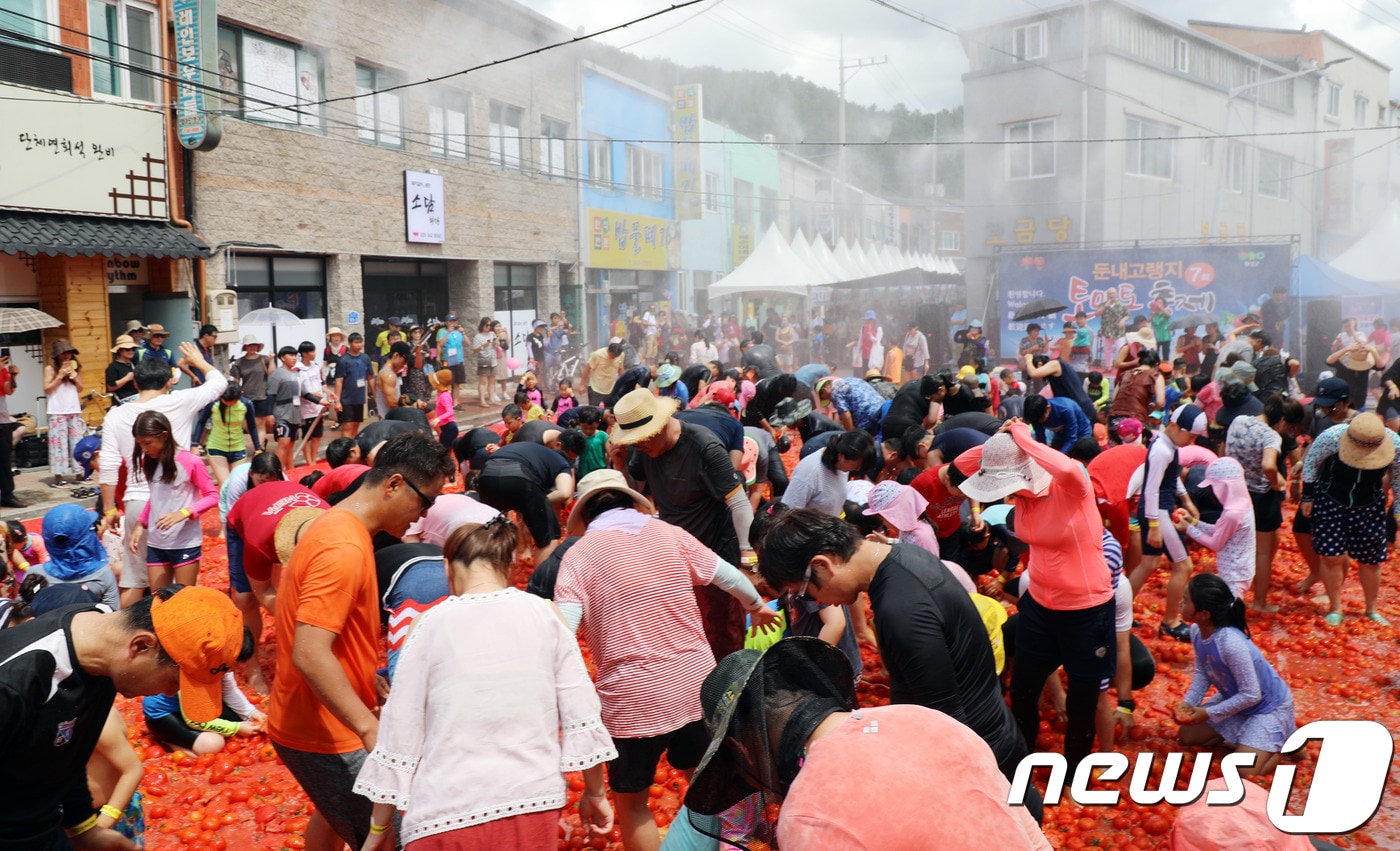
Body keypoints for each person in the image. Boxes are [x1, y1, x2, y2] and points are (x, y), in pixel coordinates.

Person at [752, 511, 1035, 816]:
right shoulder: (900, 554)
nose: (823, 602)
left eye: (806, 593)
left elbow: (947, 727)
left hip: (983, 768)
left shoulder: (903, 611)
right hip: (995, 741)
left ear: (823, 565)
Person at [354, 520, 616, 850]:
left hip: (443, 815)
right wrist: (595, 793)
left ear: (447, 567)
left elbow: (399, 732)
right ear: (508, 568)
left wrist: (379, 829)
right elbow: (581, 713)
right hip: (532, 804)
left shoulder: (426, 624)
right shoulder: (546, 613)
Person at [555, 471, 774, 851]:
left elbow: (560, 632)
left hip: (631, 701)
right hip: (695, 685)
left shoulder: (579, 555)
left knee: (633, 802)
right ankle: (738, 843)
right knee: (709, 781)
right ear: (633, 503)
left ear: (586, 515)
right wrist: (756, 607)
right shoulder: (670, 534)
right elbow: (729, 576)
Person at [268, 433, 454, 850]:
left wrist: (363, 673)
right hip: (327, 732)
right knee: (394, 840)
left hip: (313, 720)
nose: (422, 516)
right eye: (425, 502)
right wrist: (369, 728)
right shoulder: (343, 545)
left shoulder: (336, 526)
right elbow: (309, 651)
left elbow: (323, 634)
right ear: (393, 485)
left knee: (337, 818)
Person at [0, 584, 246, 849]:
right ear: (141, 646)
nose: (172, 692)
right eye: (176, 681)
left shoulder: (103, 647)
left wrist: (85, 829)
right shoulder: (15, 685)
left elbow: (68, 755)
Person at [954, 422, 1114, 777]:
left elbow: (1071, 466)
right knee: (1023, 689)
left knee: (1082, 698)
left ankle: (1073, 774)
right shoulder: (1021, 497)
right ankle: (1021, 760)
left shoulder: (1070, 487)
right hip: (1039, 606)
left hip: (1086, 610)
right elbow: (960, 466)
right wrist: (999, 442)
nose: (1007, 494)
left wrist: (1025, 440)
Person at [611, 387, 755, 660]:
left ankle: (728, 689)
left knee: (723, 632)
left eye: (641, 442)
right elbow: (637, 494)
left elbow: (738, 502)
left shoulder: (704, 447)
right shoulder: (643, 448)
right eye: (635, 443)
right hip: (673, 553)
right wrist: (620, 465)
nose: (638, 448)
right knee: (682, 627)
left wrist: (747, 554)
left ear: (660, 425)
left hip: (714, 552)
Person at [98, 345, 227, 607]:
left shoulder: (116, 413)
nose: (145, 449)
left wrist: (110, 509)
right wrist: (198, 362)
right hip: (158, 505)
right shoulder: (179, 400)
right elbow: (219, 383)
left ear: (135, 381)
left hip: (138, 501)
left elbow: (109, 463)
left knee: (136, 581)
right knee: (173, 592)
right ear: (169, 382)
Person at [1176, 574, 1296, 777]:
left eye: (1186, 600)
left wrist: (1209, 713)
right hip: (1236, 699)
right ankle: (1248, 738)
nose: (1180, 603)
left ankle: (1277, 750)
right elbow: (1202, 673)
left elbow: (1252, 695)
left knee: (1243, 772)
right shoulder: (1197, 631)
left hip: (1267, 709)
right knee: (1186, 736)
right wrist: (1188, 704)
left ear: (1204, 614)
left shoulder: (1231, 643)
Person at [1300, 412, 1400, 626]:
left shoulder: (1395, 444)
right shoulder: (1332, 437)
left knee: (1371, 559)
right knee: (1331, 556)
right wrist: (1307, 496)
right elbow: (1311, 463)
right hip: (1331, 499)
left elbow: (1398, 479)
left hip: (1369, 504)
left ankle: (1371, 608)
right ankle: (1335, 607)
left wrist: (1398, 510)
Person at [1128, 404, 1208, 641]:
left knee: (1149, 563)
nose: (1191, 442)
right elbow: (1151, 489)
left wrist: (1186, 499)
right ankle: (1171, 621)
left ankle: (1115, 613)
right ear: (1174, 426)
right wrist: (1154, 525)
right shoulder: (1162, 450)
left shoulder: (1168, 445)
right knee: (1184, 566)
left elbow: (1170, 477)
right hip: (1158, 512)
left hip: (1157, 510)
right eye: (1190, 436)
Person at [1226, 394, 1304, 613]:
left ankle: (1236, 593)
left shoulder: (1238, 420)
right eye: (1288, 426)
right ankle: (1259, 602)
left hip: (1236, 492)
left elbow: (1225, 451)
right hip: (1261, 497)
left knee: (1236, 547)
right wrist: (1278, 481)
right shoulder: (1271, 436)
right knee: (1262, 551)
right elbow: (1269, 465)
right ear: (1282, 420)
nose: (1287, 431)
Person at [219, 451, 285, 694]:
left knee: (271, 588)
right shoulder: (238, 483)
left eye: (271, 482)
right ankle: (252, 664)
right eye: (260, 482)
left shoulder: (284, 481)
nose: (265, 487)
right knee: (245, 598)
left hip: (270, 525)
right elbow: (237, 522)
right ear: (251, 475)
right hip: (240, 524)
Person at [129, 410, 219, 589]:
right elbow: (155, 498)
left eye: (147, 443)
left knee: (183, 600)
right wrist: (140, 524)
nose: (145, 449)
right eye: (140, 444)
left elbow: (212, 496)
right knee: (158, 601)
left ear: (164, 436)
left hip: (184, 542)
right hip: (156, 542)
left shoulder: (190, 461)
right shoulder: (150, 462)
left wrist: (183, 513)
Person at [474, 439, 575, 566]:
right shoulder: (561, 463)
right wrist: (536, 502)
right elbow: (564, 492)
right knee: (549, 537)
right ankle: (541, 583)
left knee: (492, 531)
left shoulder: (537, 453)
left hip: (486, 476)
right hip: (519, 475)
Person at [1174, 458, 1256, 598]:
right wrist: (1193, 522)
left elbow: (1215, 543)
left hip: (1234, 575)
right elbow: (1216, 530)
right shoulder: (1241, 506)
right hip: (1238, 571)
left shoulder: (1233, 514)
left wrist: (1188, 529)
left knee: (1229, 614)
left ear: (1224, 487)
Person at [28, 503, 119, 610]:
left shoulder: (35, 575)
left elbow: (22, 615)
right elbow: (111, 614)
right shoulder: (103, 575)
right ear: (86, 537)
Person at [781, 431, 872, 516]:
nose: (857, 469)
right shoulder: (809, 472)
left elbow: (837, 501)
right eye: (855, 465)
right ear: (841, 456)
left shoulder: (842, 467)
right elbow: (788, 513)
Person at [44, 338, 85, 488]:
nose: (67, 356)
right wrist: (60, 376)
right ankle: (58, 477)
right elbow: (47, 388)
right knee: (58, 444)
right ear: (57, 355)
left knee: (77, 443)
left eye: (69, 353)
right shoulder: (50, 369)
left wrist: (73, 376)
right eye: (63, 353)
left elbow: (80, 389)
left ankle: (80, 473)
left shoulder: (76, 367)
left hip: (73, 409)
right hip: (57, 410)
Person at [1024, 352, 1097, 424]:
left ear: (1040, 364)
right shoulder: (1053, 376)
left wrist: (1029, 359)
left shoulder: (1056, 364)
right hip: (1073, 410)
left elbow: (1034, 373)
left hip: (1081, 409)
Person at [266, 346, 304, 473]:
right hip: (281, 413)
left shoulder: (296, 374)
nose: (294, 358)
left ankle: (290, 471)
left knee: (291, 444)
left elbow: (305, 393)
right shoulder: (277, 374)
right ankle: (276, 472)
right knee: (283, 442)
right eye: (290, 355)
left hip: (295, 412)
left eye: (295, 356)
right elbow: (271, 394)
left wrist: (320, 401)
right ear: (282, 358)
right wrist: (270, 414)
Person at [230, 335, 272, 451]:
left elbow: (272, 374)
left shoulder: (265, 359)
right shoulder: (239, 362)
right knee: (245, 424)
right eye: (249, 345)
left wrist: (272, 360)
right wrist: (235, 393)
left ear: (258, 347)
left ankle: (260, 448)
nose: (252, 347)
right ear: (245, 347)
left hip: (261, 396)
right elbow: (236, 380)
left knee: (260, 425)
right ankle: (260, 441)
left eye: (254, 345)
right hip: (245, 397)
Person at [297, 340, 332, 468]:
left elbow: (321, 383)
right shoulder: (298, 369)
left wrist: (329, 393)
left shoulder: (316, 367)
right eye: (311, 351)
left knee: (317, 435)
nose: (314, 353)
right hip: (306, 407)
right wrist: (313, 394)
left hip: (319, 406)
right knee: (307, 436)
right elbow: (300, 389)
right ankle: (308, 461)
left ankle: (314, 458)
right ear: (304, 353)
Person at [185, 324, 220, 451]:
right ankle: (197, 444)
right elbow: (180, 363)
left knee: (210, 418)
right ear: (206, 335)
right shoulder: (195, 349)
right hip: (201, 388)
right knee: (204, 418)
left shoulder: (206, 350)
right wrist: (193, 375)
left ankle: (202, 443)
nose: (215, 340)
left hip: (209, 388)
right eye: (214, 337)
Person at [206, 384, 250, 485]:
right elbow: (201, 422)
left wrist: (258, 448)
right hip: (216, 448)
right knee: (225, 485)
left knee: (237, 484)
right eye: (225, 401)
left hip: (238, 449)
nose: (228, 404)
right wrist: (195, 444)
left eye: (232, 402)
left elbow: (252, 426)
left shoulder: (246, 404)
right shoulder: (213, 404)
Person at [333, 332, 373, 440]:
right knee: (347, 426)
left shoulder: (365, 358)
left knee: (356, 425)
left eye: (360, 342)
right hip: (346, 399)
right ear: (350, 343)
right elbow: (339, 381)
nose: (359, 345)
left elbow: (370, 377)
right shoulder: (343, 360)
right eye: (356, 342)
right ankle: (345, 450)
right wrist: (337, 401)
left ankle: (353, 450)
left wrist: (376, 395)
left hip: (358, 398)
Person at [1023, 393, 1093, 454]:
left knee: (1078, 456)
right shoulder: (1035, 415)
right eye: (1036, 420)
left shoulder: (1065, 410)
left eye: (1041, 418)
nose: (1039, 422)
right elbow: (1041, 438)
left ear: (1048, 408)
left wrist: (1059, 457)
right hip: (1060, 434)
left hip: (1081, 433)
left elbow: (1071, 438)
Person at [814, 376, 885, 433]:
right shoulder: (851, 379)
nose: (830, 401)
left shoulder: (835, 392)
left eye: (826, 398)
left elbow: (846, 416)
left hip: (868, 418)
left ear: (824, 390)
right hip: (883, 409)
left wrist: (850, 436)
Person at [0, 350, 22, 507]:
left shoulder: (2, 369)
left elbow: (9, 390)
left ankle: (7, 495)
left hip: (2, 419)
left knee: (4, 460)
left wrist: (13, 375)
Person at [582, 339, 624, 407]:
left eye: (616, 357)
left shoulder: (621, 355)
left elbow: (620, 369)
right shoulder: (598, 354)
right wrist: (582, 385)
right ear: (608, 350)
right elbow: (587, 369)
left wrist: (623, 384)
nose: (614, 358)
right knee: (594, 411)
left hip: (610, 389)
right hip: (595, 388)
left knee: (610, 411)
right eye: (612, 356)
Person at [105, 335, 139, 403]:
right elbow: (110, 387)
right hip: (121, 403)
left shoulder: (133, 365)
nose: (131, 351)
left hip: (135, 401)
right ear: (119, 350)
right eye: (127, 349)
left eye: (133, 349)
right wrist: (126, 378)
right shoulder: (113, 367)